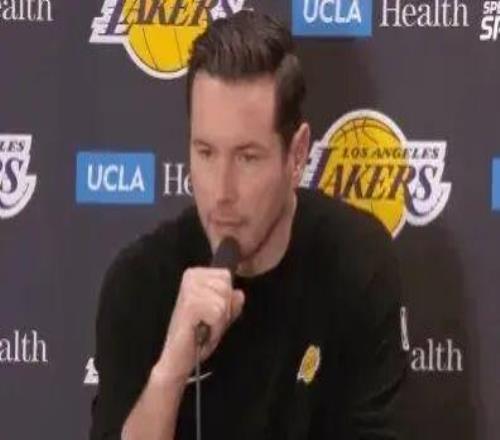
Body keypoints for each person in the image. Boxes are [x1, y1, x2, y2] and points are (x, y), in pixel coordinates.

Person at [89, 11, 407, 440]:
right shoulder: (140, 282)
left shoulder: (357, 265)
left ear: (297, 155)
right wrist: (171, 370)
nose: (222, 191)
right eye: (205, 153)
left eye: (247, 158)